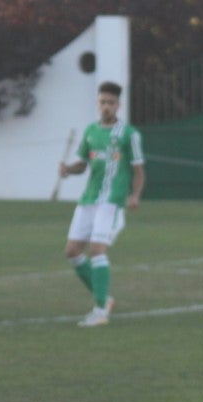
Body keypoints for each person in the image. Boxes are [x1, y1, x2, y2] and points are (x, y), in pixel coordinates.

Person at [56, 81, 145, 327]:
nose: (106, 107)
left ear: (118, 105)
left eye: (111, 103)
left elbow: (139, 170)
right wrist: (68, 170)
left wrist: (135, 195)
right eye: (102, 102)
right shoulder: (90, 132)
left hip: (112, 202)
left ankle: (100, 311)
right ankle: (105, 299)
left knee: (96, 251)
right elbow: (82, 164)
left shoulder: (129, 135)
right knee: (72, 251)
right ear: (97, 103)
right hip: (89, 199)